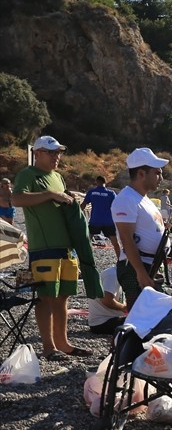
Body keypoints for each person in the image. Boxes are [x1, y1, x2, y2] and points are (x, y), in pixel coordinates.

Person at [11, 136, 96, 360]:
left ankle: (63, 343)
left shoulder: (58, 177)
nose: (56, 156)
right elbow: (17, 199)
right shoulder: (28, 174)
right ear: (37, 153)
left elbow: (61, 201)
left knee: (63, 296)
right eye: (51, 152)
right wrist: (49, 195)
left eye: (58, 152)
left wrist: (71, 199)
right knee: (45, 297)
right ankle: (48, 348)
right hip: (43, 248)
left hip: (66, 247)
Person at [112, 147, 169, 309]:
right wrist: (141, 274)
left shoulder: (143, 199)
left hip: (149, 265)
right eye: (157, 173)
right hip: (136, 268)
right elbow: (126, 238)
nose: (161, 178)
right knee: (140, 320)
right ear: (141, 174)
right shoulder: (126, 199)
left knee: (152, 319)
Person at [82, 175, 118, 254]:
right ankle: (120, 261)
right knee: (115, 243)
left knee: (87, 242)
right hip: (108, 221)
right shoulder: (111, 193)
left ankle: (85, 260)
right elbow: (117, 205)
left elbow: (83, 205)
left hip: (95, 220)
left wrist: (79, 215)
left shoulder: (92, 192)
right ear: (105, 182)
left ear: (97, 182)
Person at [87, 265, 127, 335]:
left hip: (106, 320)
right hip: (102, 322)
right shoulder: (113, 275)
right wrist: (124, 308)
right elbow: (107, 300)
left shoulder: (116, 273)